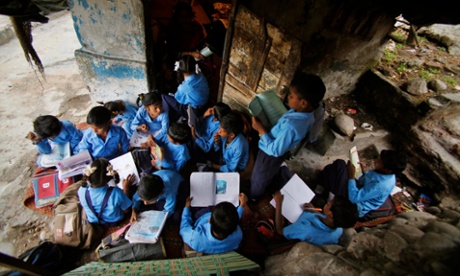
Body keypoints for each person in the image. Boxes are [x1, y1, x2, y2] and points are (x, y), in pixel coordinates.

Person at [250, 72, 326, 201]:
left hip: (269, 154)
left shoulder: (292, 126)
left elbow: (275, 150)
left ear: (303, 103)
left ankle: (254, 197)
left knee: (259, 177)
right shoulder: (308, 114)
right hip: (278, 149)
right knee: (267, 173)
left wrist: (261, 130)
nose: (288, 97)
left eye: (291, 96)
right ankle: (262, 186)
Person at [317, 150, 407, 219]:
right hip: (358, 189)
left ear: (388, 170)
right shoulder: (383, 173)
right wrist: (363, 172)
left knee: (339, 166)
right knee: (337, 167)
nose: (376, 160)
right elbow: (367, 182)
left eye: (379, 161)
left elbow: (354, 198)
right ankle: (326, 191)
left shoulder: (382, 185)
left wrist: (351, 175)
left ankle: (330, 200)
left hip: (354, 205)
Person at [273, 192, 358, 245]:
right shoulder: (338, 228)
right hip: (305, 213)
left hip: (293, 220)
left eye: (329, 204)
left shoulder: (307, 229)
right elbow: (324, 218)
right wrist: (313, 210)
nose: (327, 202)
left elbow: (280, 231)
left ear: (331, 215)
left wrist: (279, 203)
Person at [179, 193, 247, 254]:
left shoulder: (195, 238)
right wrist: (241, 205)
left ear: (210, 220)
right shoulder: (238, 235)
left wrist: (187, 207)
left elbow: (183, 228)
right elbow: (233, 220)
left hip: (200, 218)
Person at [77, 158, 133, 225]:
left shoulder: (81, 190)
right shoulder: (116, 193)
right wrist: (126, 188)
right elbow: (127, 210)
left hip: (95, 222)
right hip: (115, 221)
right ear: (109, 178)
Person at [162, 55, 210, 122]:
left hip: (195, 112)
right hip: (205, 103)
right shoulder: (201, 75)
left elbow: (178, 99)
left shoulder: (183, 87)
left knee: (163, 96)